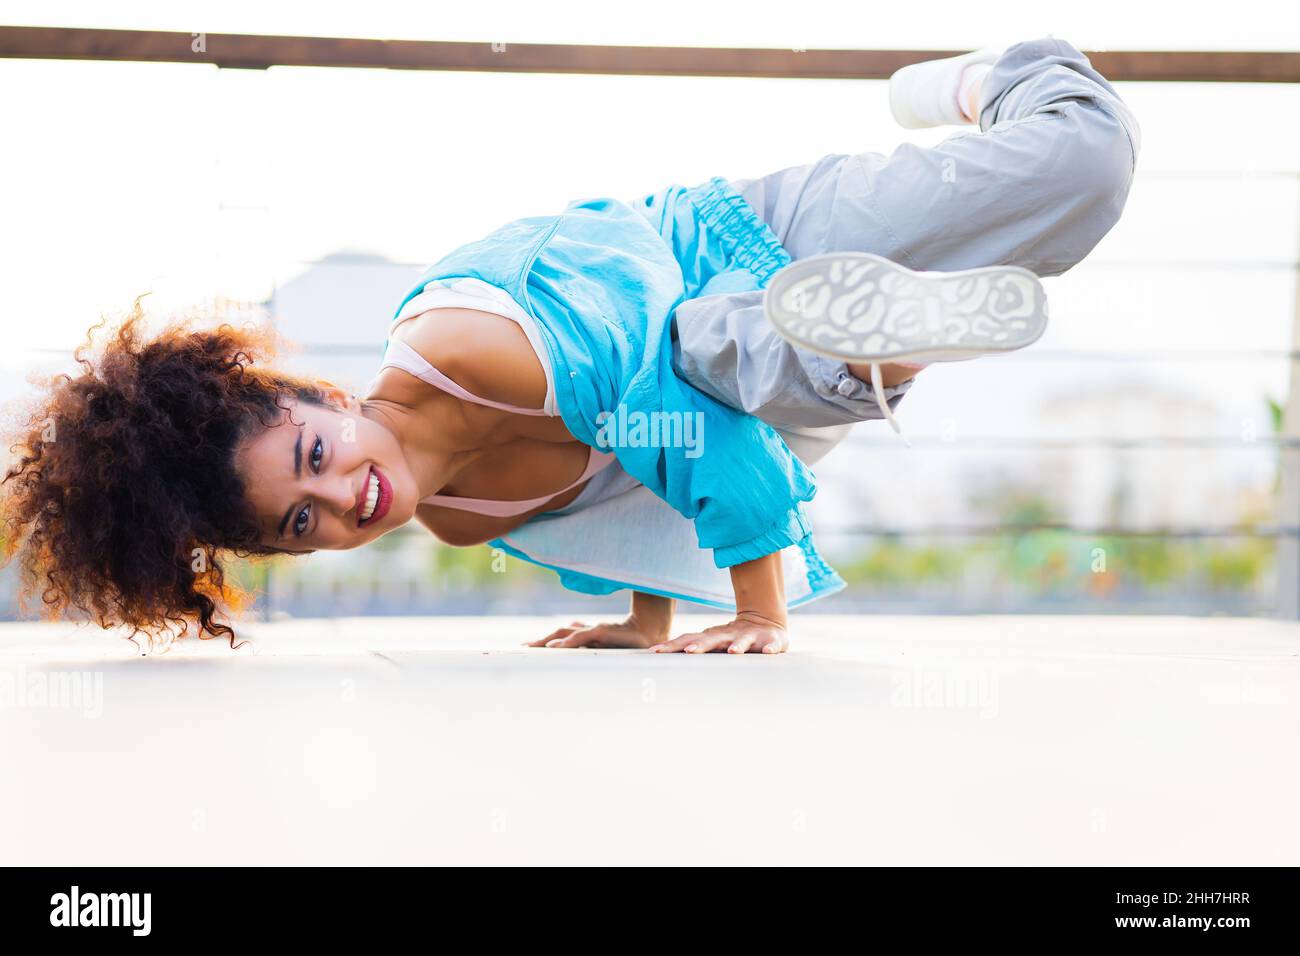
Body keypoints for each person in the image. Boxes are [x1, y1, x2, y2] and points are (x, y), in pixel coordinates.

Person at [0, 38, 1138, 654]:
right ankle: (870, 354)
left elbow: (675, 432)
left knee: (1083, 168)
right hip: (761, 376)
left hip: (755, 245)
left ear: (318, 392)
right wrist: (640, 619)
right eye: (303, 524)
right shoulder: (449, 511)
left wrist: (757, 613)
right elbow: (618, 498)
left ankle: (987, 83)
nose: (347, 498)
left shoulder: (472, 345)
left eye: (314, 457)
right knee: (715, 371)